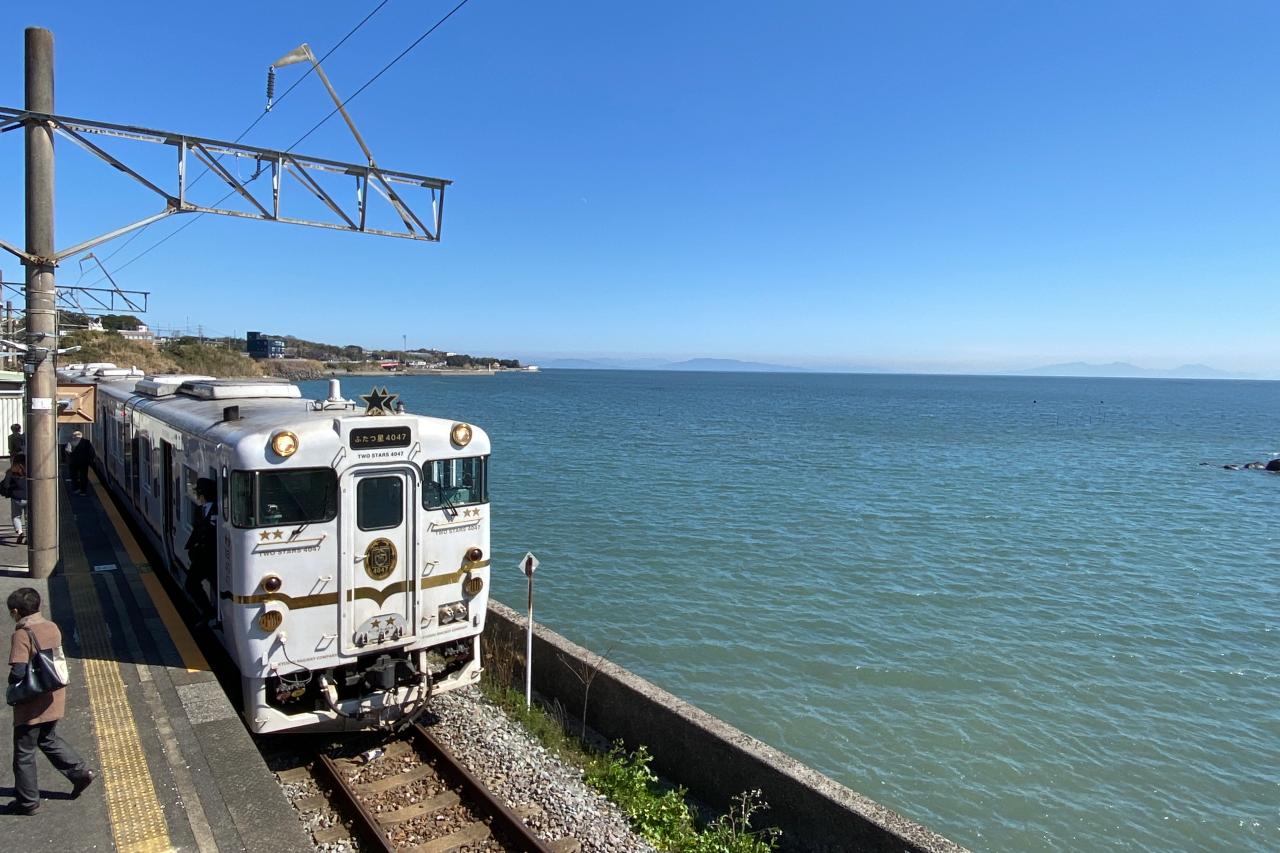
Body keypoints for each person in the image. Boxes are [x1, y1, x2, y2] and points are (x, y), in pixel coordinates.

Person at [6, 587, 96, 815]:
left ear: (16, 611)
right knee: (47, 738)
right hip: (54, 696)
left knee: (24, 751)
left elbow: (18, 671)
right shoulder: (52, 627)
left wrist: (11, 683)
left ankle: (27, 802)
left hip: (32, 701)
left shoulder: (22, 634)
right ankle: (80, 772)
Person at [184, 478, 218, 623]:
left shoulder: (219, 510)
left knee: (215, 586)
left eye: (199, 492)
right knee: (191, 584)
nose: (198, 495)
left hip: (214, 557)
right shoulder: (200, 510)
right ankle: (209, 611)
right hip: (201, 557)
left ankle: (216, 613)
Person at [3, 454, 27, 545]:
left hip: (16, 498)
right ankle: (29, 537)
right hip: (28, 498)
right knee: (28, 518)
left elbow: (6, 485)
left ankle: (20, 532)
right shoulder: (30, 469)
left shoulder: (11, 471)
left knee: (16, 516)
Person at [64, 430, 94, 496]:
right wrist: (90, 460)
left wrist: (69, 458)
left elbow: (67, 451)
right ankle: (83, 491)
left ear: (74, 436)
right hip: (84, 462)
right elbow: (91, 452)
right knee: (83, 476)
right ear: (81, 436)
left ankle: (76, 489)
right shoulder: (87, 442)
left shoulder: (71, 442)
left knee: (74, 476)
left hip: (73, 462)